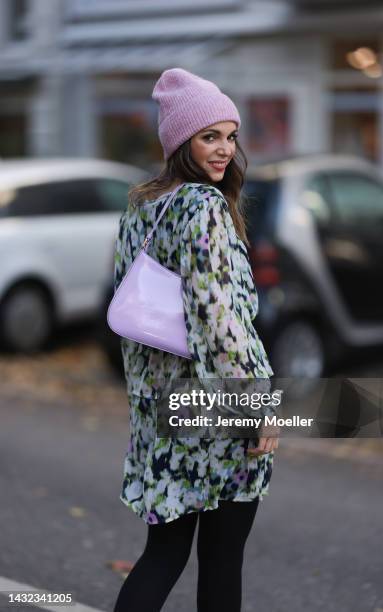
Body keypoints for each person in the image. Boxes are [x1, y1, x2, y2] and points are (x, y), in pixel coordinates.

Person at [112, 67, 279, 612]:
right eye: (210, 136)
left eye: (231, 136)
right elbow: (219, 320)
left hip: (161, 405)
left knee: (162, 554)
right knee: (223, 559)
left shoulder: (143, 204)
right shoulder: (203, 207)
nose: (225, 149)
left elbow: (131, 308)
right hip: (215, 407)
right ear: (181, 140)